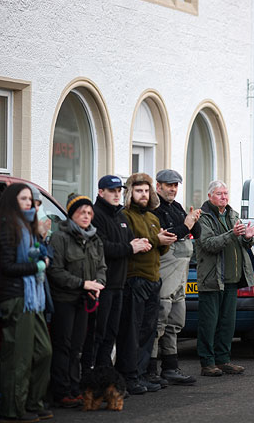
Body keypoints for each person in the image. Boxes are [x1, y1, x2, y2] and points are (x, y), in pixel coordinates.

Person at [0, 183, 53, 422]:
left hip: (32, 298)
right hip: (16, 297)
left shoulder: (28, 226)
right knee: (19, 357)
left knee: (43, 351)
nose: (28, 202)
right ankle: (13, 409)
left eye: (30, 199)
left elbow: (38, 254)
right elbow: (7, 267)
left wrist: (41, 254)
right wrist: (37, 265)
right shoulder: (7, 226)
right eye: (23, 198)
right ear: (12, 201)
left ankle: (33, 401)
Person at [116, 173, 176, 395]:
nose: (143, 194)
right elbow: (134, 245)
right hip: (135, 279)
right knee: (131, 332)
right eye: (139, 190)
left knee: (147, 331)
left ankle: (140, 374)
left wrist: (164, 241)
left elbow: (158, 247)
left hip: (153, 279)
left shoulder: (152, 217)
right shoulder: (126, 216)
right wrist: (155, 240)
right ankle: (129, 376)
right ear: (131, 192)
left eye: (146, 190)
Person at [84, 175, 151, 372]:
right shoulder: (95, 214)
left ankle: (105, 376)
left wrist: (141, 244)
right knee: (97, 333)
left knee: (110, 334)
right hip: (102, 284)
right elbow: (103, 247)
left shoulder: (120, 216)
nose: (116, 195)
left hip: (119, 284)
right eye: (112, 191)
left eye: (119, 191)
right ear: (100, 192)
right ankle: (90, 376)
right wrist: (131, 248)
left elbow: (129, 242)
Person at [196, 180, 254, 376]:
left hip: (232, 278)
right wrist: (232, 235)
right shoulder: (203, 217)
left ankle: (223, 359)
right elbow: (208, 244)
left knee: (227, 322)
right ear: (210, 196)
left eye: (225, 193)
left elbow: (243, 243)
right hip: (212, 279)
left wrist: (248, 237)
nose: (224, 197)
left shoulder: (232, 214)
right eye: (219, 194)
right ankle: (207, 362)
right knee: (209, 323)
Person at [48, 194, 107, 407]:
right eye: (81, 212)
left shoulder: (94, 238)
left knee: (77, 347)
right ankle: (61, 391)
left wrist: (98, 284)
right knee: (62, 346)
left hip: (85, 299)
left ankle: (75, 388)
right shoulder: (60, 237)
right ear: (71, 214)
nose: (86, 216)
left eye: (89, 213)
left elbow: (101, 267)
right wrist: (83, 284)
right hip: (65, 299)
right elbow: (55, 271)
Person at [149, 169, 201, 385]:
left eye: (175, 185)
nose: (173, 189)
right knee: (159, 318)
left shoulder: (177, 207)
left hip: (180, 271)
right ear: (158, 185)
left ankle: (170, 367)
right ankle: (149, 368)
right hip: (165, 270)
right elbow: (171, 235)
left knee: (175, 320)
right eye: (169, 185)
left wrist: (192, 222)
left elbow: (194, 233)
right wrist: (186, 226)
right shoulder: (154, 209)